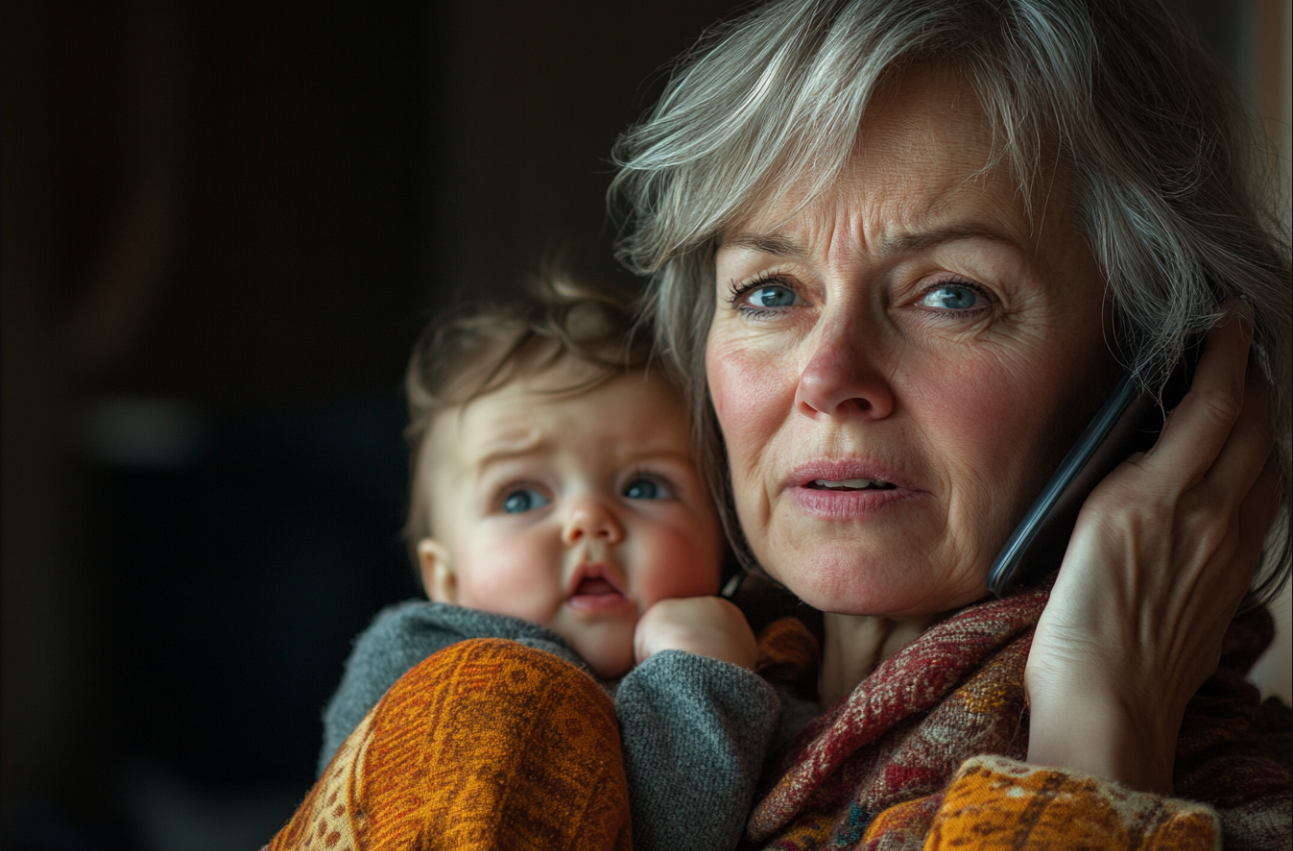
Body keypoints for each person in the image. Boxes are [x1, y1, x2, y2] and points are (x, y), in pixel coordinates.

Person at [606, 0, 1291, 848]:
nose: (827, 379)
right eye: (771, 291)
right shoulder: (556, 711)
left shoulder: (1246, 813)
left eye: (951, 294)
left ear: (1159, 371)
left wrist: (1099, 728)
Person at [266, 276, 819, 851]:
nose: (588, 520)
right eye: (521, 498)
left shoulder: (769, 672)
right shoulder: (416, 657)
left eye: (644, 486)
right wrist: (700, 678)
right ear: (445, 577)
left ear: (721, 539)